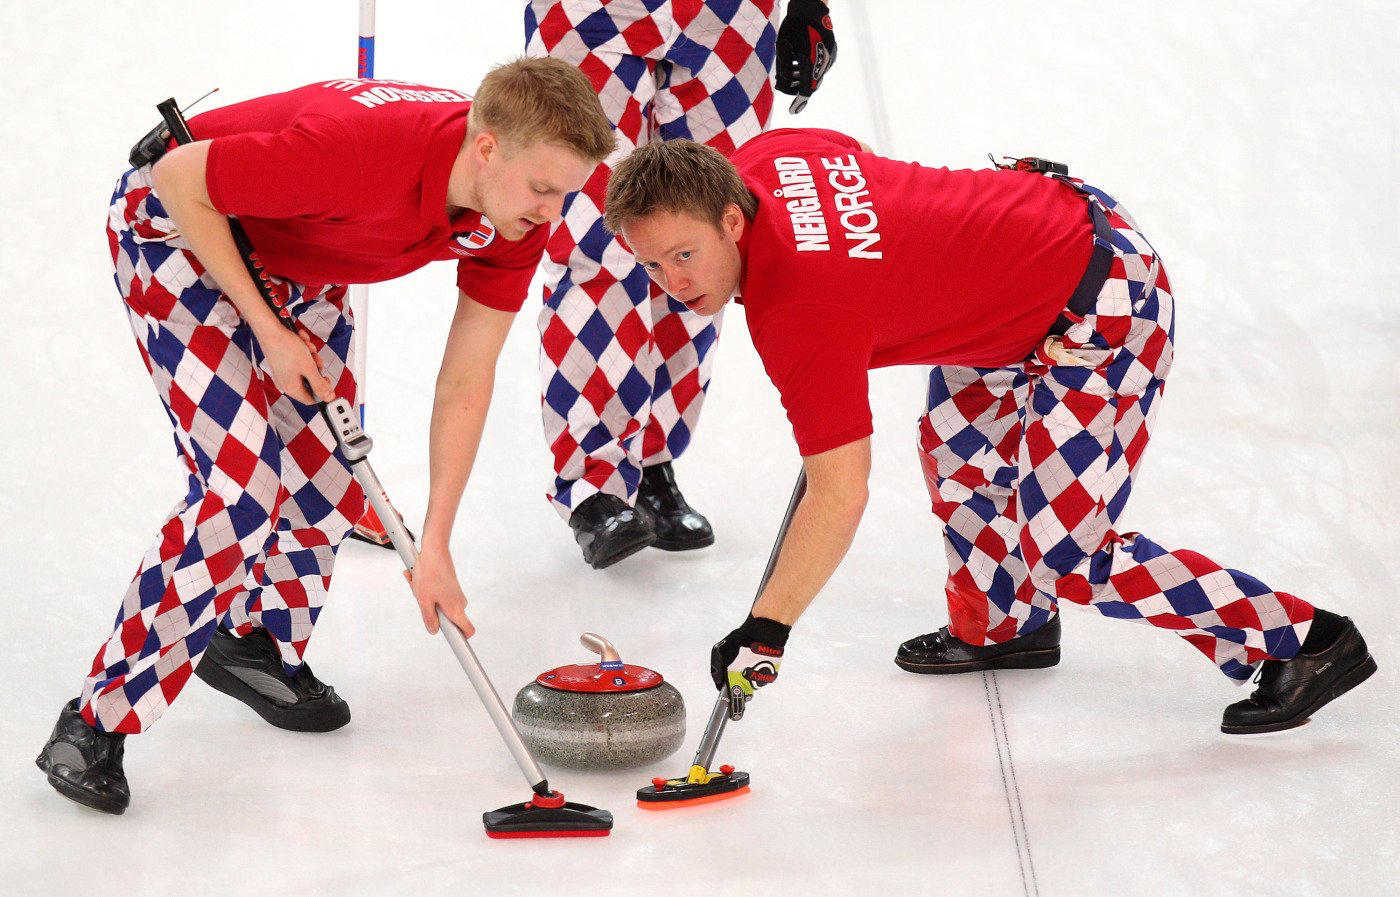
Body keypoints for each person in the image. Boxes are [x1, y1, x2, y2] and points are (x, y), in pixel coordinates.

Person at [602, 133, 1377, 737]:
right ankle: (1008, 624)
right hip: (1024, 276)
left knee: (1067, 554)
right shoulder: (765, 158)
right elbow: (859, 174)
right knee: (958, 451)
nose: (674, 282)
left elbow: (838, 493)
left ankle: (1307, 638)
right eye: (653, 265)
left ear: (732, 220)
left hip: (1103, 301)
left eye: (685, 255)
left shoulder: (801, 310)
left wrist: (767, 627)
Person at [34, 59, 614, 815]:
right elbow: (178, 178)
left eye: (565, 193)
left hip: (298, 251)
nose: (552, 211)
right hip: (177, 232)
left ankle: (254, 643)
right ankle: (93, 722)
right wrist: (270, 331)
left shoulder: (512, 219)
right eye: (542, 188)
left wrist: (435, 544)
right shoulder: (362, 153)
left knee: (331, 480)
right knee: (240, 496)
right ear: (486, 149)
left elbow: (466, 381)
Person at [525, 0, 837, 568]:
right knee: (592, 236)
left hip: (731, 13)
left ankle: (650, 458)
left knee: (706, 233)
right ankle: (595, 481)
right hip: (591, 7)